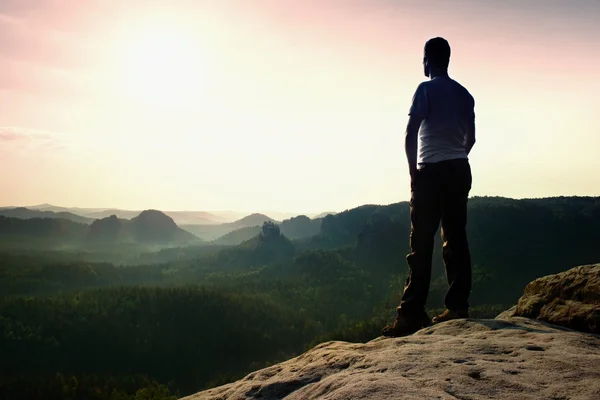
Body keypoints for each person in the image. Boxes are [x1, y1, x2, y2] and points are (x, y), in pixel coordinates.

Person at [382, 37, 476, 337]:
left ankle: (411, 314)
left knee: (421, 243)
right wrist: (456, 157)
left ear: (427, 60)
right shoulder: (465, 95)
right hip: (460, 168)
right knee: (456, 238)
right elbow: (470, 139)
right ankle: (458, 307)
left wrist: (414, 173)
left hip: (431, 171)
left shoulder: (425, 90)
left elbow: (410, 133)